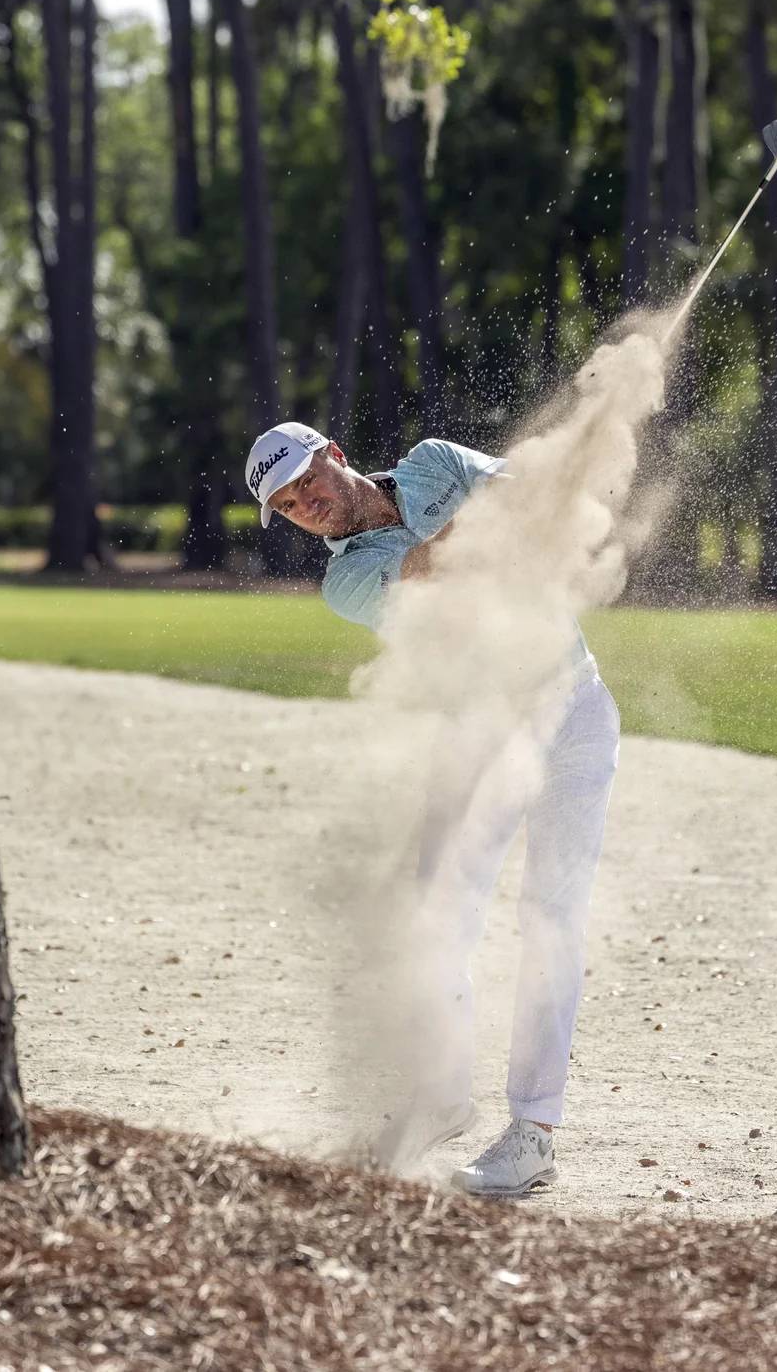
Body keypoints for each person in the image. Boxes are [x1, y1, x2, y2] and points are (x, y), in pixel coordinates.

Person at [245, 422, 620, 1195]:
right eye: (287, 505)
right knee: (438, 911)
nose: (305, 504)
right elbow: (437, 563)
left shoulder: (434, 461)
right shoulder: (347, 579)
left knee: (554, 917)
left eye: (307, 481)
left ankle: (533, 1134)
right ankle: (440, 1096)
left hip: (574, 706)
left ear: (337, 456)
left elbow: (534, 496)